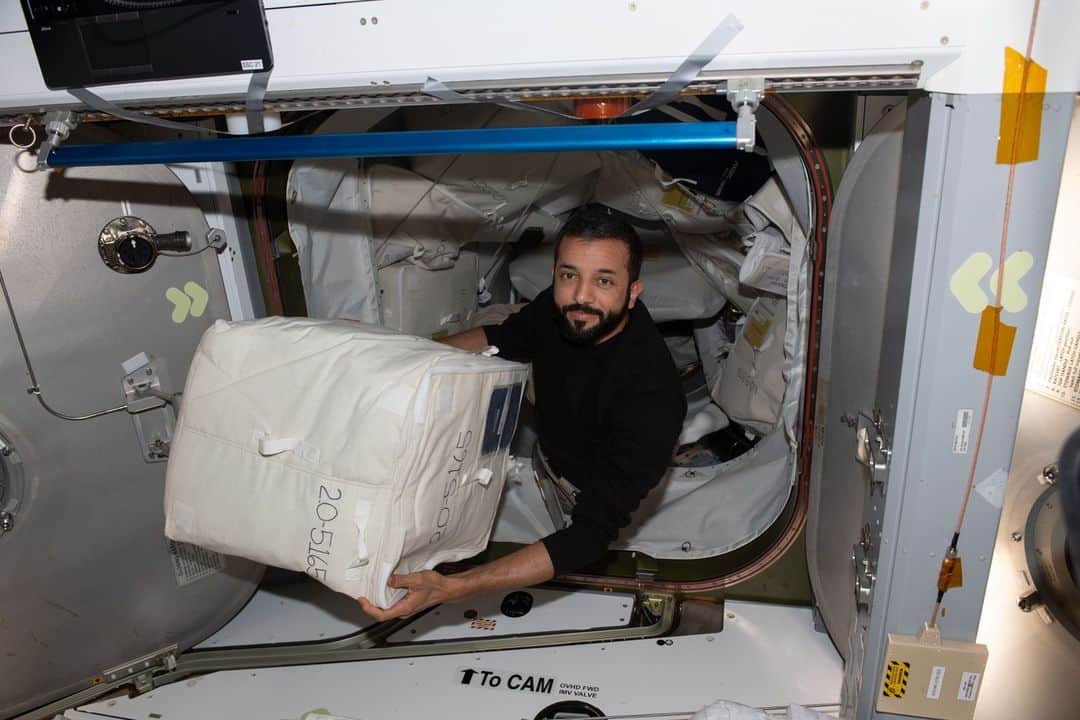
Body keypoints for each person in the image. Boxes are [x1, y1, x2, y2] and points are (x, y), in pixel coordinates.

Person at [357, 204, 687, 620]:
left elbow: (589, 535)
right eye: (569, 275)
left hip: (585, 482)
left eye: (604, 281)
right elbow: (503, 336)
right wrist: (409, 360)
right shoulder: (558, 307)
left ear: (633, 292)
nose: (581, 296)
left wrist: (455, 587)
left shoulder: (652, 400)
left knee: (581, 523)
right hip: (553, 443)